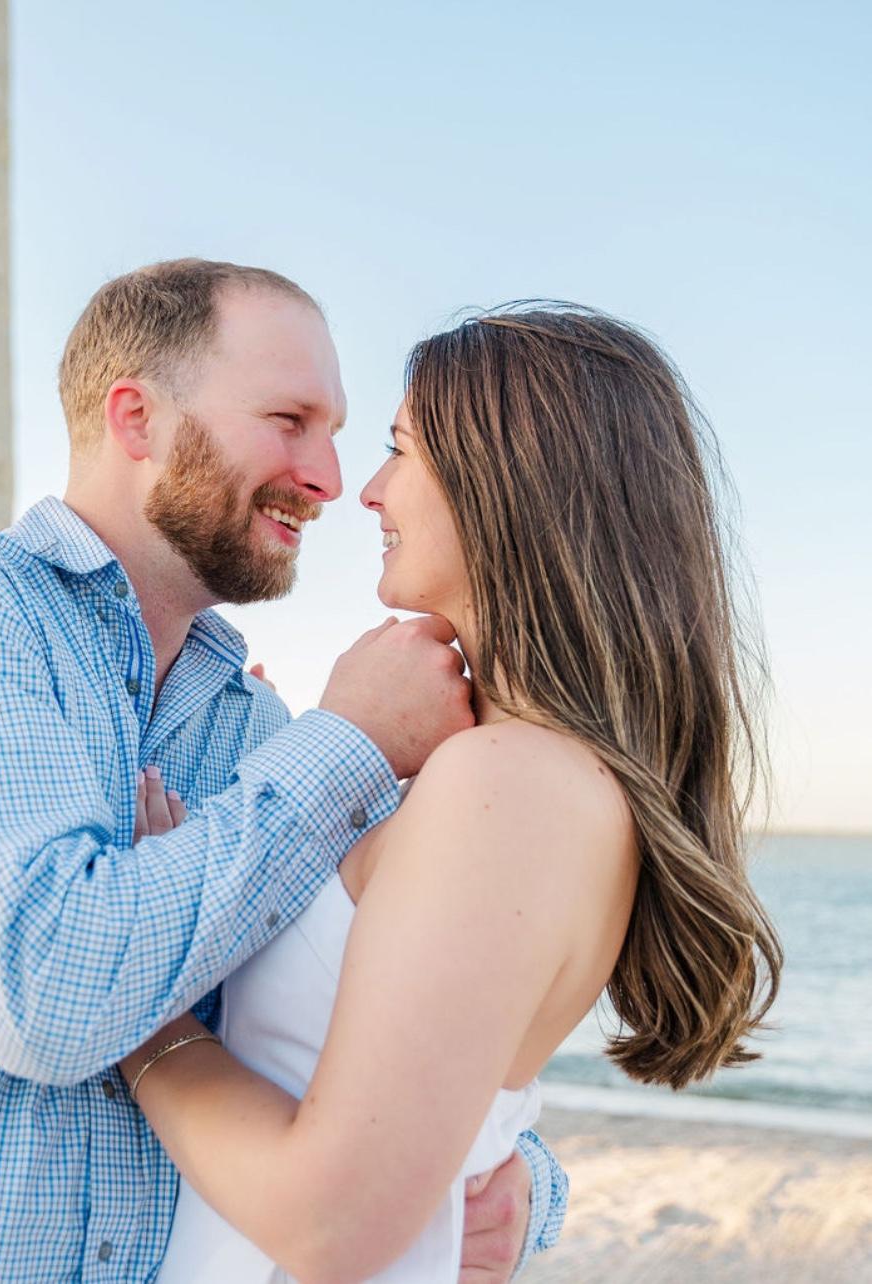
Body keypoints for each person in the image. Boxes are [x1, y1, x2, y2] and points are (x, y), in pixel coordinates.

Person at [0, 261, 566, 1282]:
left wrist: (524, 1185)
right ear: (136, 419)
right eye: (289, 421)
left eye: (336, 433)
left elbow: (377, 1016)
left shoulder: (262, 736)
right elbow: (52, 992)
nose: (330, 479)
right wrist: (349, 742)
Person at [119, 304, 784, 1283]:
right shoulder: (503, 773)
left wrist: (146, 1018)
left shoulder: (509, 784)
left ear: (506, 485)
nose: (368, 491)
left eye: (399, 449)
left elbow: (333, 1227)